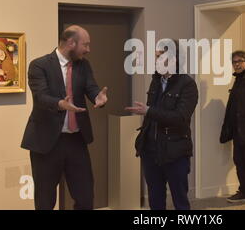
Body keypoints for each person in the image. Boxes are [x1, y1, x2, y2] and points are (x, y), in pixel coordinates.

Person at [21, 25, 108, 210]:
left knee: (85, 198)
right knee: (45, 201)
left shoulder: (83, 64)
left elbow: (91, 86)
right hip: (46, 142)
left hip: (76, 140)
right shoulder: (39, 65)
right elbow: (40, 96)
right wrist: (61, 104)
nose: (88, 49)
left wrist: (97, 97)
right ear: (71, 43)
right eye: (85, 44)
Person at [125, 40, 198, 210]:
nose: (156, 61)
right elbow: (153, 114)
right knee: (155, 199)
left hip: (175, 151)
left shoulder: (187, 84)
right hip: (151, 151)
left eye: (160, 57)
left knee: (180, 200)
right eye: (156, 57)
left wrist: (149, 111)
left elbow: (180, 117)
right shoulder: (156, 81)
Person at [220, 50, 245, 203]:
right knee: (239, 161)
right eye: (234, 62)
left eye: (239, 61)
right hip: (238, 130)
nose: (237, 64)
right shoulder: (238, 81)